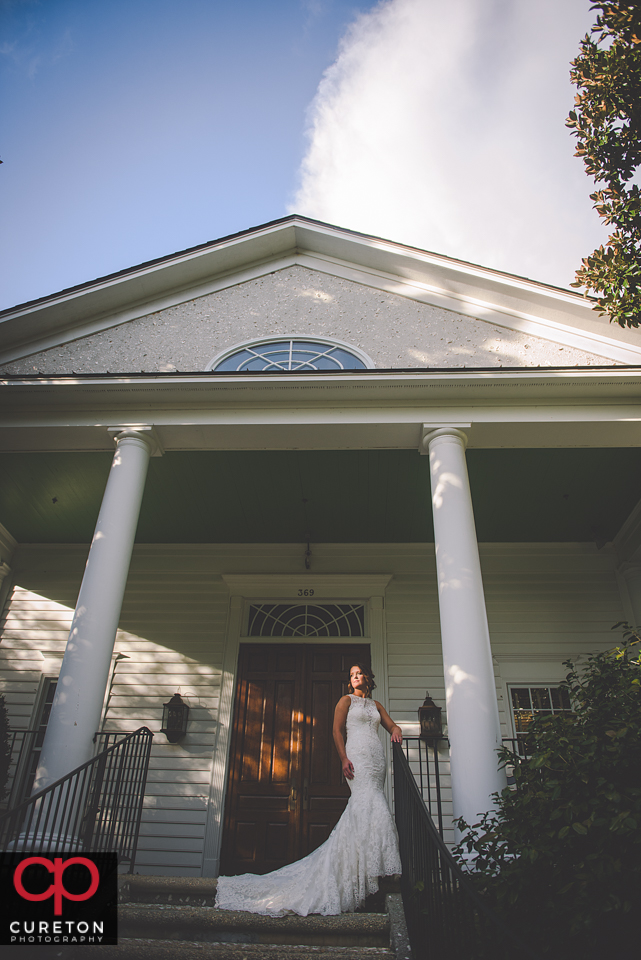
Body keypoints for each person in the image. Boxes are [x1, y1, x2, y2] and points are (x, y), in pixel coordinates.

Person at [215, 663, 402, 916]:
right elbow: (336, 730)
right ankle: (357, 869)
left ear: (367, 677)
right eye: (351, 675)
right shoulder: (345, 701)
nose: (355, 677)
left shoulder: (376, 705)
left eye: (358, 674)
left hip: (376, 760)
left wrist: (397, 730)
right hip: (357, 756)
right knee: (365, 803)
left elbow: (391, 726)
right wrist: (344, 758)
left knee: (375, 804)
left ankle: (366, 866)